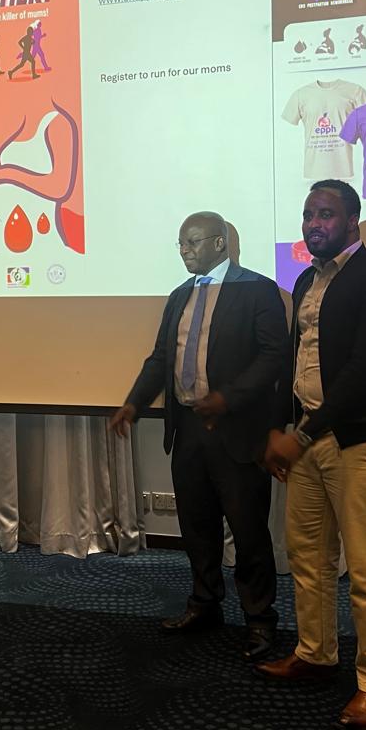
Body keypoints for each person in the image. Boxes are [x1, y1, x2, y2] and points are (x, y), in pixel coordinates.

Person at [257, 179, 366, 730]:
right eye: (307, 215)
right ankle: (316, 653)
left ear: (352, 221)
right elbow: (297, 361)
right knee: (307, 556)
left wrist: (302, 435)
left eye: (325, 215)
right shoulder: (305, 281)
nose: (313, 224)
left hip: (363, 440)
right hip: (309, 436)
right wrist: (284, 426)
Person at [109, 212, 287, 661]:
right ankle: (205, 604)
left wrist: (228, 398)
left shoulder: (258, 290)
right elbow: (160, 358)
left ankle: (260, 619)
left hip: (237, 430)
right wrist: (133, 403)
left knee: (248, 531)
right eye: (181, 244)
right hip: (188, 429)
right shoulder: (179, 296)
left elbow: (274, 358)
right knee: (197, 526)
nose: (185, 251)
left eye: (192, 242)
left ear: (219, 243)